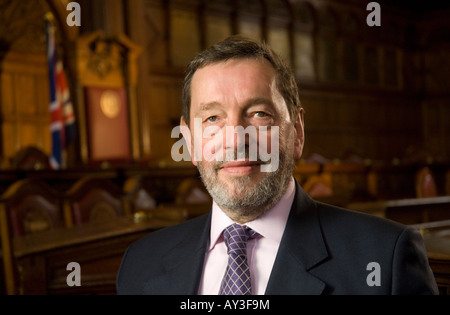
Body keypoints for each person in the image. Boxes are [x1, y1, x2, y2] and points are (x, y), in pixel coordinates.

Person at [116, 36, 438, 295]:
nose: (236, 140)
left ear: (296, 131)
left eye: (259, 114)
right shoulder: (139, 265)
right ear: (189, 142)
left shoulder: (385, 260)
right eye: (213, 118)